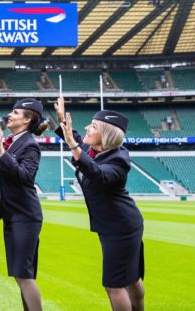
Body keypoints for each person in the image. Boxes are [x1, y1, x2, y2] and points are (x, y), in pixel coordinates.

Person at [55, 98, 145, 311]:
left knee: (114, 285)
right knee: (130, 276)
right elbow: (76, 138)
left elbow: (97, 174)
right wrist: (62, 121)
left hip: (121, 227)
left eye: (93, 126)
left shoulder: (118, 160)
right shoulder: (94, 150)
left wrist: (73, 146)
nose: (87, 127)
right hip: (115, 225)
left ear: (105, 134)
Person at [0, 99, 47, 311]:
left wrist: (3, 155)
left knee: (23, 275)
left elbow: (25, 176)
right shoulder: (14, 142)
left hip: (25, 216)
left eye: (15, 112)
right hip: (13, 215)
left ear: (28, 119)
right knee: (20, 273)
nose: (10, 115)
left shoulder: (30, 144)